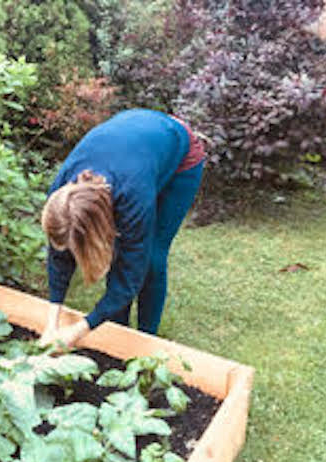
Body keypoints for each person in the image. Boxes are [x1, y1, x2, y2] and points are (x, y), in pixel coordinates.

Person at [39, 108, 206, 349]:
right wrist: (51, 324)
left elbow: (130, 274)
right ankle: (119, 332)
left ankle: (145, 341)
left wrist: (79, 330)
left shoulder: (132, 195)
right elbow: (59, 254)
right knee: (119, 255)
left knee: (152, 259)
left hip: (180, 155)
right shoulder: (61, 193)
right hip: (137, 145)